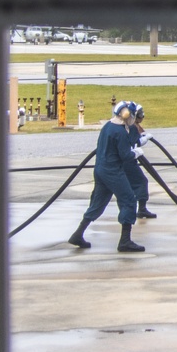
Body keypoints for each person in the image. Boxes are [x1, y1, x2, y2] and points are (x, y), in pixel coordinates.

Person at [69, 101, 145, 253]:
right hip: (113, 171)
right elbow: (125, 155)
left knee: (98, 203)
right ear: (127, 115)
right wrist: (136, 152)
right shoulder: (121, 132)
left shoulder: (107, 127)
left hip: (100, 169)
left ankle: (78, 234)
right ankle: (125, 241)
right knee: (129, 200)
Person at [127, 102, 157, 219]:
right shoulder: (132, 127)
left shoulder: (129, 125)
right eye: (139, 114)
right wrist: (146, 138)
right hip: (128, 160)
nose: (142, 116)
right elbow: (137, 142)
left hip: (125, 159)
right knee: (142, 181)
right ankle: (142, 209)